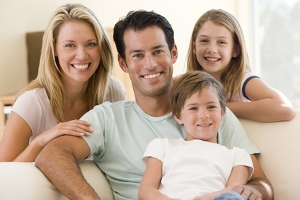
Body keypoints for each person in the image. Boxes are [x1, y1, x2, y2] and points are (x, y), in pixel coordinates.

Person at [35, 10, 274, 200]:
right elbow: (52, 154)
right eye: (137, 55)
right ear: (124, 63)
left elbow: (261, 182)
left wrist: (257, 192)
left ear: (173, 53)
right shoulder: (108, 119)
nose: (150, 64)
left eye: (158, 51)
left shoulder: (211, 114)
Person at [0, 3, 125, 162]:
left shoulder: (113, 91)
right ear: (54, 50)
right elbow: (4, 174)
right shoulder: (32, 103)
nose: (81, 55)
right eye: (70, 45)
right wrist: (40, 142)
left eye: (90, 44)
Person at [139, 71, 254, 200]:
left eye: (211, 107)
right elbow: (146, 191)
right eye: (193, 108)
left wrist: (206, 198)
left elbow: (234, 190)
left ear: (222, 113)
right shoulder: (162, 146)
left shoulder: (238, 155)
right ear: (178, 116)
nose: (203, 115)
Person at [186, 9, 294, 122]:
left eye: (221, 42)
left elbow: (284, 109)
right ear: (194, 47)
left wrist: (222, 107)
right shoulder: (187, 84)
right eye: (204, 41)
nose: (212, 49)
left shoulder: (243, 81)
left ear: (235, 50)